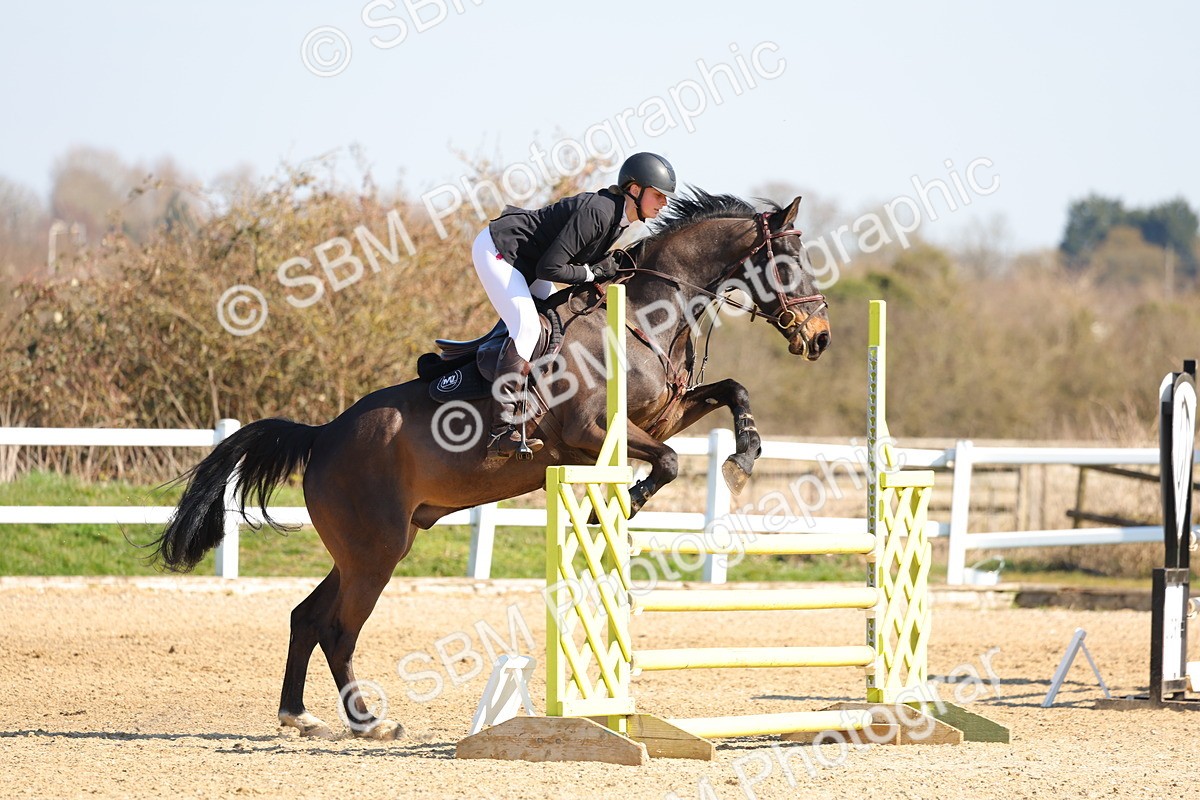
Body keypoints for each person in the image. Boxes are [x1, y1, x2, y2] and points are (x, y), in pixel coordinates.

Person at [472, 151, 677, 464]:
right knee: (527, 327)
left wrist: (602, 267)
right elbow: (550, 268)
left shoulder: (619, 220)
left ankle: (531, 402)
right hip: (501, 250)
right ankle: (501, 429)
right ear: (634, 190)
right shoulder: (599, 212)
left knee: (553, 323)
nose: (663, 203)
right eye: (658, 195)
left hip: (526, 262)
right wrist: (593, 272)